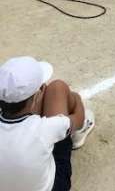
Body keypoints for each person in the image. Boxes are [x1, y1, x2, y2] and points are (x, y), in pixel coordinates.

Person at [0, 56, 95, 191]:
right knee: (58, 88)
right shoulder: (46, 128)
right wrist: (76, 99)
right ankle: (78, 135)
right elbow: (78, 120)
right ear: (37, 95)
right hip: (55, 187)